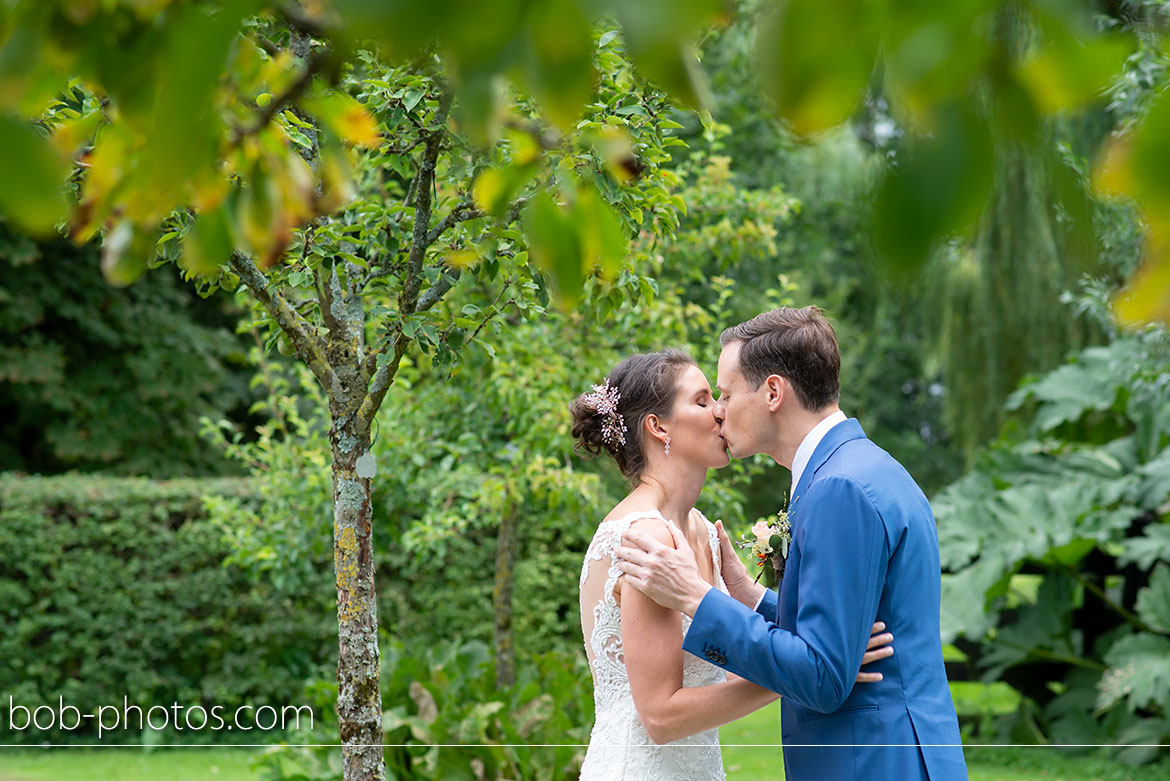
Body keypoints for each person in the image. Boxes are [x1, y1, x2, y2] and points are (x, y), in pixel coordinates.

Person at [615, 307, 968, 780]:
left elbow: (823, 678)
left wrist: (695, 599)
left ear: (774, 392)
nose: (718, 410)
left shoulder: (838, 489)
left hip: (871, 762)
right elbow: (844, 620)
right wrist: (755, 599)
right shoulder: (868, 468)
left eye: (725, 393)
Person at [571, 347, 894, 780]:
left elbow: (714, 679)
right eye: (703, 401)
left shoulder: (700, 530)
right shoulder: (646, 537)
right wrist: (817, 672)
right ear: (658, 425)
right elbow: (661, 717)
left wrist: (819, 653)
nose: (721, 412)